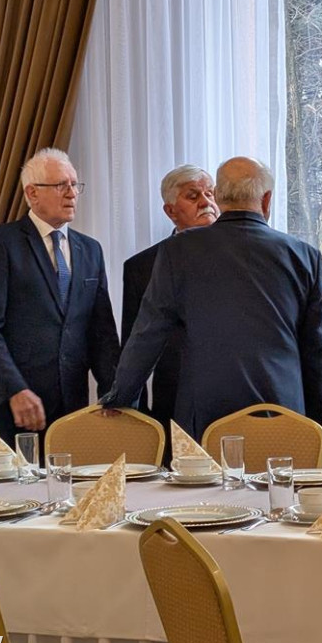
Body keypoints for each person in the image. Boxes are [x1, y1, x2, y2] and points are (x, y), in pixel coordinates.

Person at [103, 156, 322, 438]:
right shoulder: (304, 256)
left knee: (206, 485)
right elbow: (317, 350)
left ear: (220, 197)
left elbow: (148, 334)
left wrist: (122, 396)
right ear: (267, 200)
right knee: (274, 483)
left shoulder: (178, 252)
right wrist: (312, 419)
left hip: (205, 414)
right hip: (282, 409)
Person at [0, 148, 120, 447]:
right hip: (14, 404)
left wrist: (113, 391)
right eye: (62, 185)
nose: (72, 193)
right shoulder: (0, 242)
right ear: (32, 193)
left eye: (75, 185)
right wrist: (15, 390)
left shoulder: (90, 250)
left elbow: (101, 330)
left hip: (71, 405)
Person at [121, 165, 217, 462]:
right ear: (170, 210)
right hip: (172, 397)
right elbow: (133, 343)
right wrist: (137, 410)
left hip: (230, 395)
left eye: (210, 193)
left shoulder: (244, 256)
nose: (205, 201)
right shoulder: (141, 267)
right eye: (193, 196)